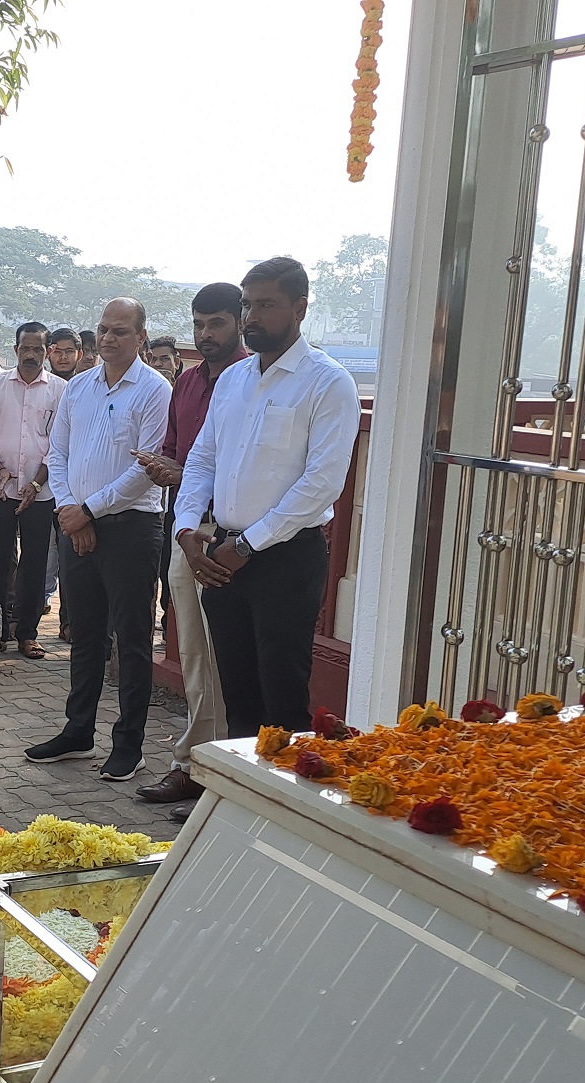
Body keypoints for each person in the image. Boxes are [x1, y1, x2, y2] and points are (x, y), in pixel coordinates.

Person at [175, 258, 360, 745]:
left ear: (299, 309)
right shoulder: (234, 379)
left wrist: (248, 545)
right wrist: (186, 529)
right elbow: (202, 459)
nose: (252, 317)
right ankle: (236, 790)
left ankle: (283, 792)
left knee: (282, 697)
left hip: (284, 558)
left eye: (266, 305)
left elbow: (322, 483)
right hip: (220, 556)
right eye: (247, 305)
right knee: (237, 694)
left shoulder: (327, 381)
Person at [30, 298, 171, 783]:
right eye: (104, 329)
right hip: (77, 523)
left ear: (141, 337)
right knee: (85, 635)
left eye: (120, 331)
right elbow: (59, 453)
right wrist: (73, 511)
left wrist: (87, 510)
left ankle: (129, 745)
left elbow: (146, 468)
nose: (109, 338)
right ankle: (78, 731)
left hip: (131, 528)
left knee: (131, 640)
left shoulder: (155, 390)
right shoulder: (79, 386)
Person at [132, 283, 249, 815]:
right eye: (199, 324)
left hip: (236, 535)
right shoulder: (188, 382)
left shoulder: (250, 379)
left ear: (240, 321)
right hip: (187, 528)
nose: (206, 334)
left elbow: (250, 470)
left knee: (228, 659)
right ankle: (194, 765)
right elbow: (180, 452)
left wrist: (184, 474)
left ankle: (226, 774)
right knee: (196, 655)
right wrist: (164, 467)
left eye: (216, 323)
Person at [0, 322, 66, 659]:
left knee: (35, 562)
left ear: (47, 351)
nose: (30, 355)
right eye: (25, 348)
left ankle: (28, 633)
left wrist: (37, 482)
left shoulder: (60, 390)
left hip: (41, 492)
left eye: (37, 349)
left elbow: (59, 443)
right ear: (15, 350)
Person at [43, 327, 84, 637]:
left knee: (74, 557)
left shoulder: (86, 387)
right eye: (58, 351)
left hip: (76, 490)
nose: (64, 357)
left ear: (79, 354)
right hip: (45, 486)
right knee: (46, 556)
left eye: (70, 351)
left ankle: (70, 621)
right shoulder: (41, 387)